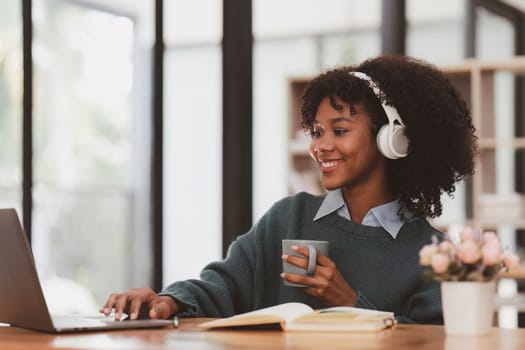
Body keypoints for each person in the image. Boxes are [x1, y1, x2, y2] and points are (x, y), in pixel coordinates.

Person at [101, 55, 477, 324]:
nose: (320, 146)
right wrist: (167, 302)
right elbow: (223, 284)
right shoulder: (291, 216)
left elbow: (434, 340)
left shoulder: (432, 253)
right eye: (316, 132)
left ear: (391, 139)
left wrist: (347, 302)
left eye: (340, 131)